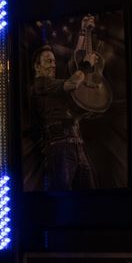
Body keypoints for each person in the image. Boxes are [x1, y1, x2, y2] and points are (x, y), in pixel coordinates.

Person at [28, 43, 93, 190]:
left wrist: (80, 115)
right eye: (48, 61)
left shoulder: (53, 87)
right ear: (37, 67)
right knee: (64, 197)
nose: (53, 65)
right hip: (60, 148)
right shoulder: (41, 83)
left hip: (76, 146)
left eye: (54, 61)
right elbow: (72, 83)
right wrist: (86, 66)